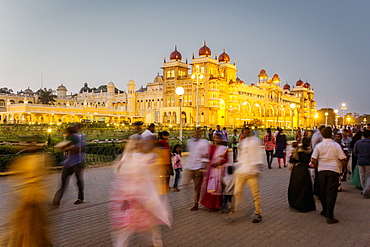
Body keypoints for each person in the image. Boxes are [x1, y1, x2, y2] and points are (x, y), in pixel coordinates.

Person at [110, 134, 171, 247]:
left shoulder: (136, 158)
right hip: (135, 197)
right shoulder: (132, 158)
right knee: (130, 225)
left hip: (140, 196)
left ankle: (156, 242)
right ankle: (156, 242)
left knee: (139, 224)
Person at [2, 147, 53, 246]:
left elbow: (18, 181)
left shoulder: (28, 161)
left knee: (28, 228)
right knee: (35, 229)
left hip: (31, 200)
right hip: (33, 199)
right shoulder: (42, 159)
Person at [311, 127, 347, 224]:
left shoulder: (319, 145)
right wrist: (343, 167)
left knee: (322, 191)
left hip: (322, 170)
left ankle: (324, 210)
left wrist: (318, 165)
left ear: (322, 135)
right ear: (332, 135)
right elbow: (343, 158)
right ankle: (330, 216)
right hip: (333, 170)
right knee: (331, 193)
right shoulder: (336, 145)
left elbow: (313, 159)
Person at [230, 127, 264, 223]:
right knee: (237, 192)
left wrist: (258, 168)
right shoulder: (243, 142)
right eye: (244, 132)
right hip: (242, 170)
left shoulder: (256, 141)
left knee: (255, 194)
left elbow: (260, 154)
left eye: (247, 131)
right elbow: (240, 155)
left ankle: (258, 213)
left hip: (252, 172)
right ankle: (234, 209)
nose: (246, 133)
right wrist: (238, 166)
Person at [53, 125, 85, 207]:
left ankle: (80, 198)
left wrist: (69, 148)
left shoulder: (79, 137)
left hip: (77, 162)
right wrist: (64, 147)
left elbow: (81, 149)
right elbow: (64, 148)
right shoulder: (69, 138)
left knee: (78, 181)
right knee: (63, 183)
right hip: (68, 163)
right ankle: (56, 201)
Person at [200, 133, 228, 211]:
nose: (216, 140)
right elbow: (209, 157)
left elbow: (226, 159)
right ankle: (211, 205)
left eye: (218, 138)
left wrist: (219, 163)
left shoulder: (224, 148)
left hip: (220, 170)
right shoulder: (211, 147)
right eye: (214, 138)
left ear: (221, 139)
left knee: (218, 187)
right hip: (212, 170)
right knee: (211, 186)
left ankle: (218, 205)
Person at [184, 128, 210, 211]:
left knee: (197, 187)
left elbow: (206, 155)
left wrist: (204, 166)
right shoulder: (190, 142)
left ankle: (195, 203)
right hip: (190, 166)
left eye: (198, 132)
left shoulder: (204, 143)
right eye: (195, 132)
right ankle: (187, 201)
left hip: (198, 167)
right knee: (186, 185)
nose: (196, 134)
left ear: (201, 134)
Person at [288, 137, 316, 212]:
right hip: (305, 170)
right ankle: (305, 205)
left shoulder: (297, 150)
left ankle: (295, 203)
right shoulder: (310, 151)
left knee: (295, 186)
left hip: (297, 169)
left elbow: (291, 160)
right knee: (305, 188)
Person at [353, 130, 370, 198]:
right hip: (368, 161)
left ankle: (364, 189)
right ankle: (367, 189)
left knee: (362, 176)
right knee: (368, 175)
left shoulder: (358, 142)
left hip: (360, 161)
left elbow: (354, 151)